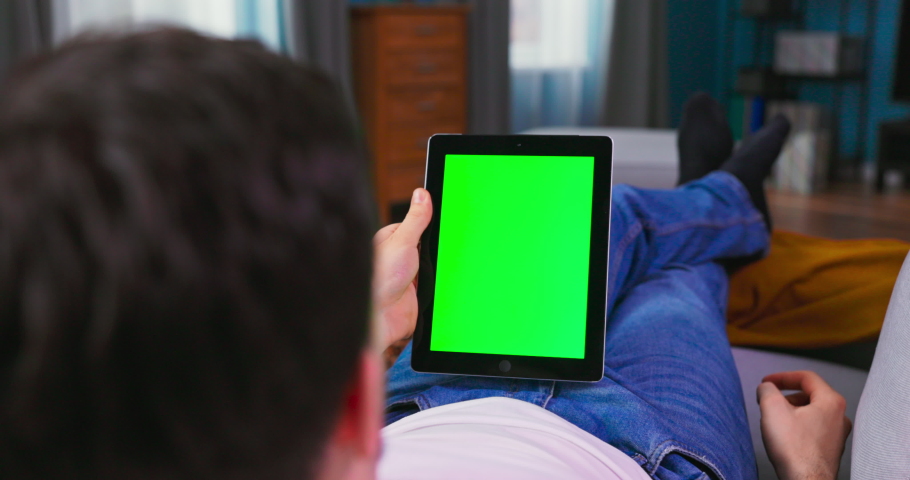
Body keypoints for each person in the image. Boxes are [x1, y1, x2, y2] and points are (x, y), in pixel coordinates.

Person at [0, 29, 851, 480]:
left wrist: (367, 328)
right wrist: (807, 469)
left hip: (422, 401)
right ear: (342, 408)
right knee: (669, 278)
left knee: (594, 222)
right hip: (640, 449)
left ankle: (718, 194)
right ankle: (727, 196)